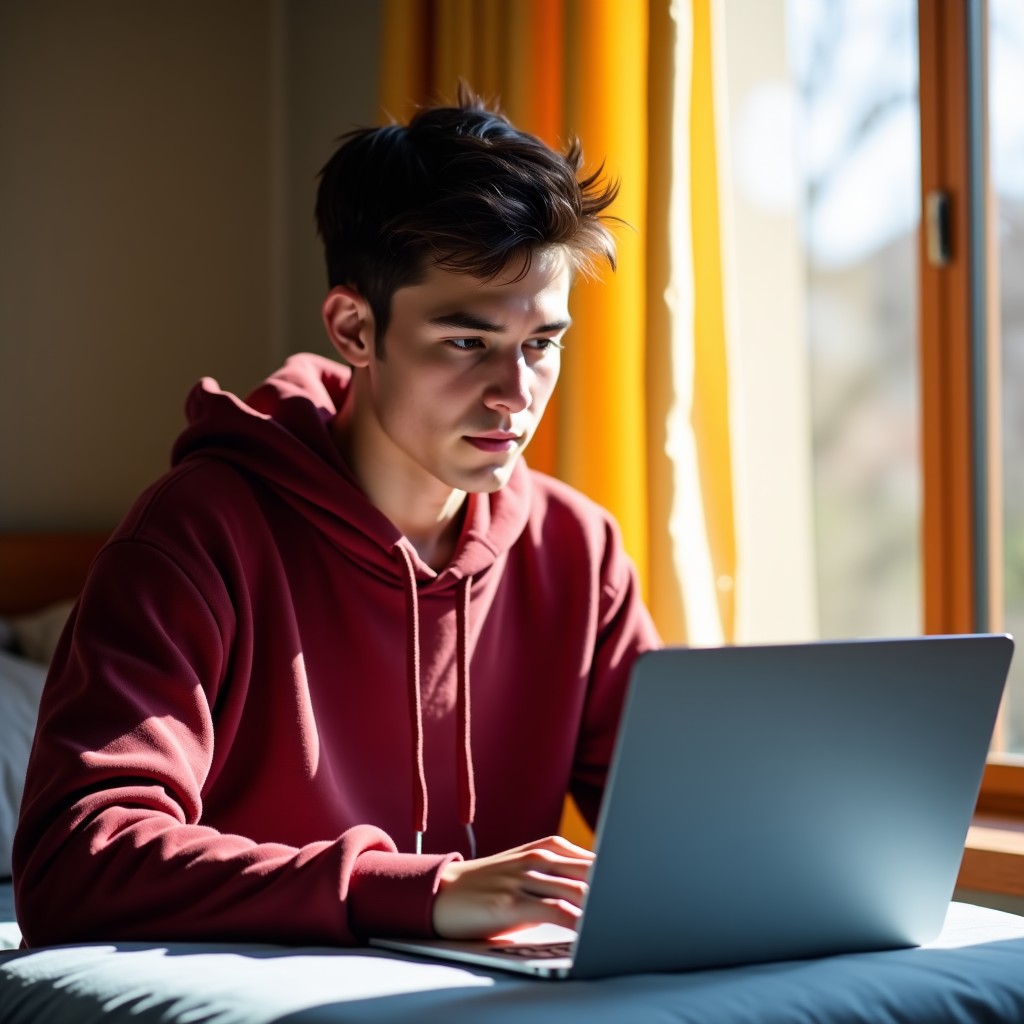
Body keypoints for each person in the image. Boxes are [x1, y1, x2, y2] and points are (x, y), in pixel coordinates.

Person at [13, 85, 660, 948]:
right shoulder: (197, 535)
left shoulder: (578, 548)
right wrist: (417, 891)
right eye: (467, 343)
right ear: (354, 328)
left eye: (540, 344)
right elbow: (76, 860)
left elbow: (681, 827)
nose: (516, 395)